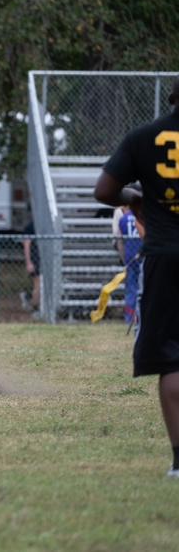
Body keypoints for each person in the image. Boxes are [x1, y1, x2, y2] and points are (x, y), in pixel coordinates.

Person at [93, 74, 179, 479]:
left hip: (165, 256)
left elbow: (105, 190)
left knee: (170, 360)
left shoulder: (146, 135)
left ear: (173, 96)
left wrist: (135, 197)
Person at [19, 221, 41, 316]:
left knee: (40, 285)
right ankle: (33, 307)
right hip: (35, 260)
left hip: (43, 260)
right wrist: (29, 262)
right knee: (38, 284)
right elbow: (26, 244)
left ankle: (28, 297)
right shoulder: (31, 226)